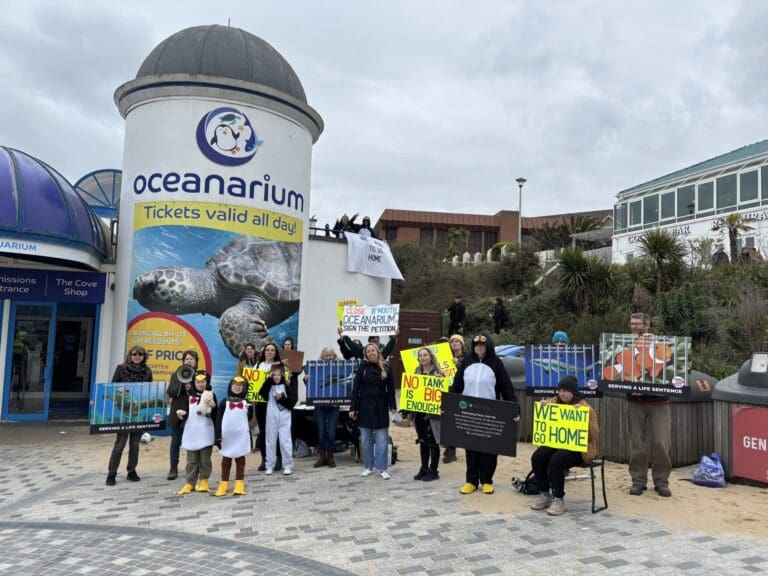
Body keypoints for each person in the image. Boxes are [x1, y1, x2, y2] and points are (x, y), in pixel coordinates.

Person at [450, 332, 519, 495]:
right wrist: (448, 404)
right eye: (476, 345)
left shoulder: (496, 363)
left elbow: (506, 387)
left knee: (489, 449)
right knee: (471, 448)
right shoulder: (466, 362)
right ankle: (471, 481)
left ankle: (487, 480)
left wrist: (515, 409)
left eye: (482, 345)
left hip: (490, 412)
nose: (479, 348)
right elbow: (457, 385)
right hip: (469, 411)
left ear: (488, 347)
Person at [530, 376, 600, 516]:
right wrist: (543, 408)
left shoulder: (585, 407)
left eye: (566, 391)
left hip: (579, 450)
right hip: (557, 445)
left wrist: (583, 418)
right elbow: (544, 420)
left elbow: (594, 435)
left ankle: (559, 499)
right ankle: (545, 494)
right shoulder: (555, 401)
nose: (562, 394)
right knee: (538, 456)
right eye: (560, 390)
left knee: (556, 460)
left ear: (573, 392)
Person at [626, 312, 672, 498]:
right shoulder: (626, 344)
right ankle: (638, 481)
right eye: (632, 324)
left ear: (647, 325)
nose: (634, 327)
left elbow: (670, 361)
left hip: (659, 402)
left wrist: (653, 342)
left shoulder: (660, 342)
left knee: (661, 443)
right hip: (635, 402)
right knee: (637, 444)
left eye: (638, 324)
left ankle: (661, 482)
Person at [106, 345, 153, 486]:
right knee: (119, 445)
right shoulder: (121, 368)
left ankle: (131, 471)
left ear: (144, 356)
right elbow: (113, 386)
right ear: (130, 355)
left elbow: (150, 389)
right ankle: (111, 473)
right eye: (134, 354)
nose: (137, 356)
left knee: (135, 445)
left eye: (140, 354)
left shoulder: (147, 371)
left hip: (136, 414)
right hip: (123, 414)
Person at [350, 343, 396, 479]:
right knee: (366, 440)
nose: (371, 353)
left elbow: (391, 388)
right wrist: (353, 407)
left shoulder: (386, 366)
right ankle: (368, 466)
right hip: (364, 407)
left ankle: (382, 468)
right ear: (366, 354)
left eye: (373, 350)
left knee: (382, 440)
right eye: (368, 351)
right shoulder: (362, 367)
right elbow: (356, 388)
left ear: (378, 352)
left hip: (380, 407)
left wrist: (392, 406)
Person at [176, 370, 217, 494]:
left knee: (205, 459)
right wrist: (181, 413)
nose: (201, 384)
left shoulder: (211, 394)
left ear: (207, 382)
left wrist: (214, 406)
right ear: (194, 382)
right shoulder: (189, 395)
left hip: (206, 431)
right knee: (191, 460)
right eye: (198, 382)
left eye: (203, 382)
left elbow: (216, 415)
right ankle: (190, 483)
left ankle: (204, 481)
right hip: (192, 432)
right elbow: (186, 411)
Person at [213, 376, 253, 496]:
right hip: (227, 438)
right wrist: (218, 436)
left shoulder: (247, 403)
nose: (237, 387)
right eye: (234, 384)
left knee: (240, 461)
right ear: (230, 386)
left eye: (240, 385)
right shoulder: (224, 402)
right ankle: (223, 484)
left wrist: (250, 410)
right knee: (226, 460)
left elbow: (249, 418)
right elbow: (218, 419)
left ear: (244, 388)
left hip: (241, 438)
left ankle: (239, 484)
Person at [166, 349, 199, 480]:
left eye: (191, 359)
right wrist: (181, 384)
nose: (189, 361)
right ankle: (173, 467)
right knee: (175, 442)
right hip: (177, 412)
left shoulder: (199, 375)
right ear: (183, 361)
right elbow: (171, 392)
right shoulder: (176, 375)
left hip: (192, 413)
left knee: (192, 441)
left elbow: (203, 391)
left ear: (196, 362)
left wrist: (191, 388)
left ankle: (191, 467)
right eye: (187, 359)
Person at [261, 363, 298, 475]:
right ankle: (269, 465)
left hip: (284, 417)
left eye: (279, 374)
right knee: (270, 441)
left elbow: (292, 403)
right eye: (274, 374)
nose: (276, 377)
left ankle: (287, 465)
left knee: (285, 441)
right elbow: (262, 394)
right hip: (271, 416)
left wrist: (281, 399)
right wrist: (268, 380)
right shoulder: (268, 386)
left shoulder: (287, 386)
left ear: (282, 375)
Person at [307, 347, 341, 468]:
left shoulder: (340, 369)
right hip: (320, 405)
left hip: (334, 406)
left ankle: (330, 457)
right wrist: (307, 381)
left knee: (331, 432)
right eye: (325, 355)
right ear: (322, 357)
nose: (328, 357)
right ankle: (322, 457)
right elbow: (312, 387)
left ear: (334, 356)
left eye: (330, 355)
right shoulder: (317, 369)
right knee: (321, 432)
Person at [413, 347, 444, 481]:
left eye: (425, 355)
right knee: (422, 440)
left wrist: (440, 380)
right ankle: (424, 467)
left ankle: (433, 470)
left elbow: (444, 391)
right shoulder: (416, 372)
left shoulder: (438, 372)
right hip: (419, 412)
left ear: (430, 357)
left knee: (433, 441)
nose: (423, 357)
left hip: (433, 414)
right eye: (421, 355)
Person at [255, 343, 283, 471]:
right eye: (267, 350)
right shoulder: (257, 366)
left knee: (276, 431)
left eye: (272, 350)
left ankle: (278, 458)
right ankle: (265, 459)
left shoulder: (280, 366)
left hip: (276, 402)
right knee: (263, 432)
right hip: (261, 403)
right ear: (264, 352)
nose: (270, 352)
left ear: (275, 352)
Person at [442, 334, 466, 464]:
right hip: (448, 392)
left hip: (461, 393)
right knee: (447, 420)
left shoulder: (467, 358)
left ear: (462, 344)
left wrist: (459, 364)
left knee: (455, 422)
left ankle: (451, 451)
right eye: (452, 342)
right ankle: (450, 448)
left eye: (457, 342)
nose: (455, 344)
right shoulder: (446, 357)